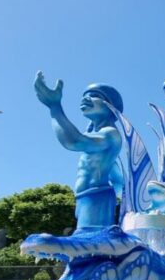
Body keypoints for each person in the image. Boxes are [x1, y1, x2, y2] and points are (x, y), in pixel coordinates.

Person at [34, 71, 123, 231]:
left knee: (89, 246)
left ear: (111, 106)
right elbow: (118, 179)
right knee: (88, 246)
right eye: (84, 95)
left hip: (95, 197)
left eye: (94, 95)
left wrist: (54, 106)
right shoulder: (100, 139)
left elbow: (74, 142)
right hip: (89, 197)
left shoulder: (111, 133)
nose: (85, 98)